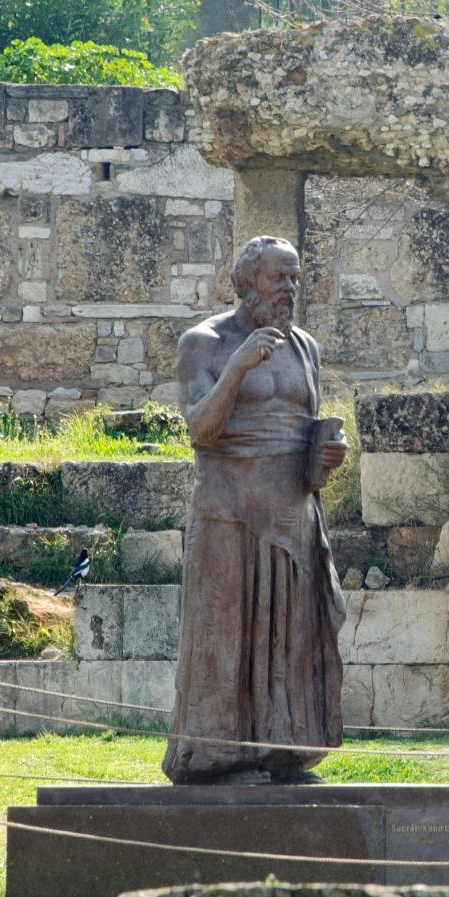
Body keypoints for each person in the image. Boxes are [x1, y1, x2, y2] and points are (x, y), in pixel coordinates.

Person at [162, 235, 349, 784]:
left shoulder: (304, 346)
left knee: (292, 640)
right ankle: (217, 757)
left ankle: (284, 752)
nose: (289, 289)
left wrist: (327, 453)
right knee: (227, 638)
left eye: (295, 278)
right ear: (248, 282)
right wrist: (239, 367)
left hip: (292, 514)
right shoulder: (205, 342)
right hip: (229, 514)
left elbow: (303, 433)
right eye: (278, 278)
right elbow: (200, 428)